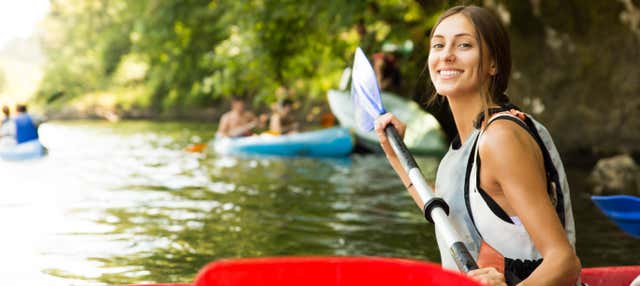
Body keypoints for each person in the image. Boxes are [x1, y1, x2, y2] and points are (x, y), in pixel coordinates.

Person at [374, 5, 580, 286]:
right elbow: (447, 215)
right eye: (438, 45)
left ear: (493, 63)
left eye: (464, 45)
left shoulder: (500, 138)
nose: (446, 54)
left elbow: (565, 263)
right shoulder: (465, 145)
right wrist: (394, 153)